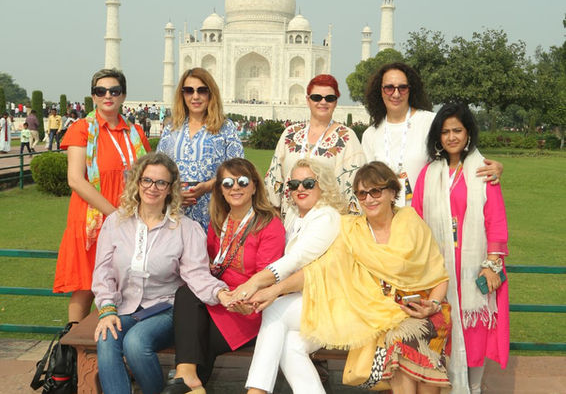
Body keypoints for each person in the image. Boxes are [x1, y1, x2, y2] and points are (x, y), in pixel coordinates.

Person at [251, 161, 451, 394]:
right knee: (291, 343)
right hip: (367, 311)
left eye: (376, 191)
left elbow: (439, 275)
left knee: (408, 338)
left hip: (417, 308)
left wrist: (433, 304)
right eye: (362, 194)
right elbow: (319, 270)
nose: (369, 199)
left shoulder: (411, 222)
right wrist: (276, 289)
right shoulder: (351, 230)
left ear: (392, 192)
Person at [93, 152, 231, 394]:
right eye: (147, 180)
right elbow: (103, 272)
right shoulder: (115, 222)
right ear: (137, 182)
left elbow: (196, 275)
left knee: (136, 343)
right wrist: (107, 309)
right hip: (125, 307)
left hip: (166, 308)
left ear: (170, 189)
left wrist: (220, 293)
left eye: (161, 183)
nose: (152, 188)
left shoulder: (186, 228)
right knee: (107, 336)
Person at [162, 157, 285, 394]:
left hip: (247, 308)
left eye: (242, 181)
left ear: (254, 186)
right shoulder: (218, 222)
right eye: (227, 183)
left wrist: (242, 301)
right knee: (187, 294)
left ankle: (187, 380)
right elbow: (208, 268)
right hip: (219, 300)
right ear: (220, 189)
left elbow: (266, 277)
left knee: (197, 337)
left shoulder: (269, 224)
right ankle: (187, 378)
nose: (235, 187)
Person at [412, 103, 509, 394]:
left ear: (468, 133)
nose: (451, 137)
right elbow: (417, 220)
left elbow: (495, 219)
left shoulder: (483, 171)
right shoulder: (428, 174)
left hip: (475, 266)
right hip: (439, 267)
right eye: (445, 132)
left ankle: (474, 388)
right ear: (438, 137)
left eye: (457, 130)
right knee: (446, 328)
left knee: (474, 330)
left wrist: (492, 264)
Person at [236, 159, 347, 394]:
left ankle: (256, 391)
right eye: (294, 184)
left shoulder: (327, 217)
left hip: (332, 304)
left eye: (308, 183)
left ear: (323, 185)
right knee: (290, 346)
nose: (300, 189)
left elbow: (296, 259)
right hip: (306, 303)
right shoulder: (295, 216)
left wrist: (255, 283)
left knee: (275, 310)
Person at [53, 68, 151, 323]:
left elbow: (148, 174)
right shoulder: (82, 129)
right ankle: (73, 343)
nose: (108, 96)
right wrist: (114, 214)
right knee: (86, 286)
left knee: (125, 284)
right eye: (101, 91)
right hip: (93, 218)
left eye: (114, 91)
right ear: (93, 96)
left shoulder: (135, 133)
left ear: (123, 96)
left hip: (129, 219)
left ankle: (115, 341)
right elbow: (76, 179)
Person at [361, 62, 503, 207]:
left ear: (411, 90)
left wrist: (495, 168)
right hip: (386, 215)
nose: (396, 94)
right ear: (380, 91)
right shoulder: (370, 134)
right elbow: (367, 180)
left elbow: (465, 153)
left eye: (402, 88)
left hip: (430, 211)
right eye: (389, 88)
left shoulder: (430, 122)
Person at [265, 74, 366, 216]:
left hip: (328, 221)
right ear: (308, 100)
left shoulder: (346, 137)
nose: (323, 102)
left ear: (335, 102)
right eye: (317, 97)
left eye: (329, 98)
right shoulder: (291, 134)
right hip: (290, 219)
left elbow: (355, 184)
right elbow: (275, 179)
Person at [157, 67, 244, 231]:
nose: (195, 96)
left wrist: (209, 185)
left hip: (213, 212)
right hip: (175, 212)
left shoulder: (225, 128)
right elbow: (158, 170)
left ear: (211, 94)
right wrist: (174, 194)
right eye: (189, 91)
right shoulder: (172, 128)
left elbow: (238, 169)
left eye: (202, 90)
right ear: (182, 94)